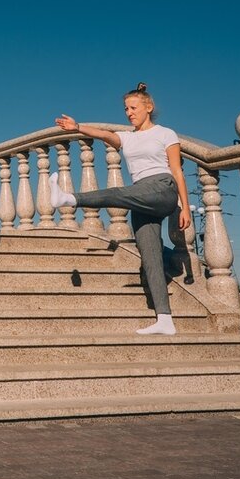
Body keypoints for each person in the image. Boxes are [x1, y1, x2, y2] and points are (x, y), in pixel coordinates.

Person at [49, 82, 192, 335]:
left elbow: (177, 170)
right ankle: (165, 319)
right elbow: (105, 135)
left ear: (149, 107)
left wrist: (184, 208)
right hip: (141, 196)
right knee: (150, 258)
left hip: (162, 188)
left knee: (117, 193)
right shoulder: (127, 137)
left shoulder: (165, 133)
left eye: (133, 107)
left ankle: (70, 199)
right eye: (125, 108)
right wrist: (77, 127)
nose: (128, 112)